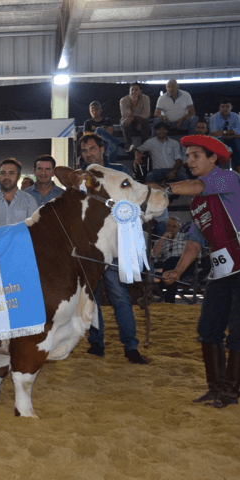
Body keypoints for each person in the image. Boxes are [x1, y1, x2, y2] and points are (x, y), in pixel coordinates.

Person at [161, 135, 240, 408]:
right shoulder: (197, 203)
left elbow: (198, 185)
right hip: (226, 266)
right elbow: (194, 243)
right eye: (187, 156)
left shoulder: (228, 179)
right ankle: (216, 388)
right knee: (208, 328)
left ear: (214, 159)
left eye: (196, 155)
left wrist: (164, 189)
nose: (189, 161)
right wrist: (177, 271)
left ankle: (229, 392)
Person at [79, 133, 148, 365]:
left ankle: (130, 346)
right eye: (85, 151)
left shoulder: (119, 173)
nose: (89, 154)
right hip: (90, 248)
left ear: (102, 149)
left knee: (120, 297)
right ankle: (96, 342)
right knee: (92, 299)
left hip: (117, 245)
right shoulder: (81, 178)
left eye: (92, 148)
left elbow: (135, 203)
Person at [0, 158, 38, 230]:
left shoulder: (29, 201)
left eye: (11, 173)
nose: (6, 177)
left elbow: (33, 231)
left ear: (19, 176)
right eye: (3, 173)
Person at [152, 217, 192, 303]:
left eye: (174, 227)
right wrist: (163, 238)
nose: (171, 229)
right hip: (168, 266)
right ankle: (169, 301)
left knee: (172, 261)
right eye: (169, 226)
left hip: (184, 267)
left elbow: (195, 253)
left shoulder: (185, 237)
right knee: (170, 264)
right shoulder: (162, 239)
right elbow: (154, 254)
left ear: (179, 228)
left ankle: (167, 298)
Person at [209, 98, 240, 176]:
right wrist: (236, 134)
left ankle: (239, 169)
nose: (225, 108)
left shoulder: (235, 116)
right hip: (219, 139)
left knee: (238, 144)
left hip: (232, 139)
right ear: (219, 108)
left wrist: (223, 132)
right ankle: (218, 171)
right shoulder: (213, 117)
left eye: (227, 106)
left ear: (231, 107)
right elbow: (214, 134)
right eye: (222, 106)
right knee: (218, 144)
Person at [83, 101, 122, 165]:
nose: (94, 111)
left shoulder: (106, 120)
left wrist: (95, 133)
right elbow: (86, 135)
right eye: (92, 110)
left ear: (100, 110)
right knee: (99, 129)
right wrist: (101, 132)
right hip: (94, 144)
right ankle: (120, 144)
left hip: (105, 144)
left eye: (96, 109)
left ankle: (110, 166)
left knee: (113, 146)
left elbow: (110, 132)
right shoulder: (88, 122)